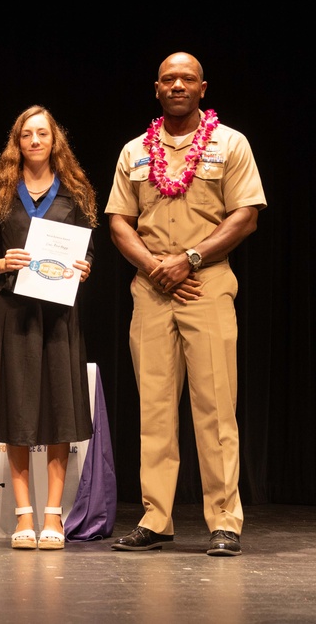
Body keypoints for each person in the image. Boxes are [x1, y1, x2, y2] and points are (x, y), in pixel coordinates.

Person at [106, 52, 266, 557]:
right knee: (154, 409)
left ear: (203, 88)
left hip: (207, 285)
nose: (178, 85)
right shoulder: (135, 151)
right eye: (169, 79)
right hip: (152, 289)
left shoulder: (230, 143)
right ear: (156, 89)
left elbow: (246, 216)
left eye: (187, 79)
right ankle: (157, 518)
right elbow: (118, 223)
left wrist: (190, 259)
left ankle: (224, 520)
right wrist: (159, 268)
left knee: (215, 407)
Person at [0, 105, 97, 551]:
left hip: (59, 314)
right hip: (13, 312)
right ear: (17, 141)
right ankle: (24, 514)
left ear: (55, 140)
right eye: (27, 134)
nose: (36, 141)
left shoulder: (76, 192)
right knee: (17, 411)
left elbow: (86, 252)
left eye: (43, 133)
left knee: (60, 409)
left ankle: (53, 515)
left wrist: (84, 268)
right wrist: (1, 262)